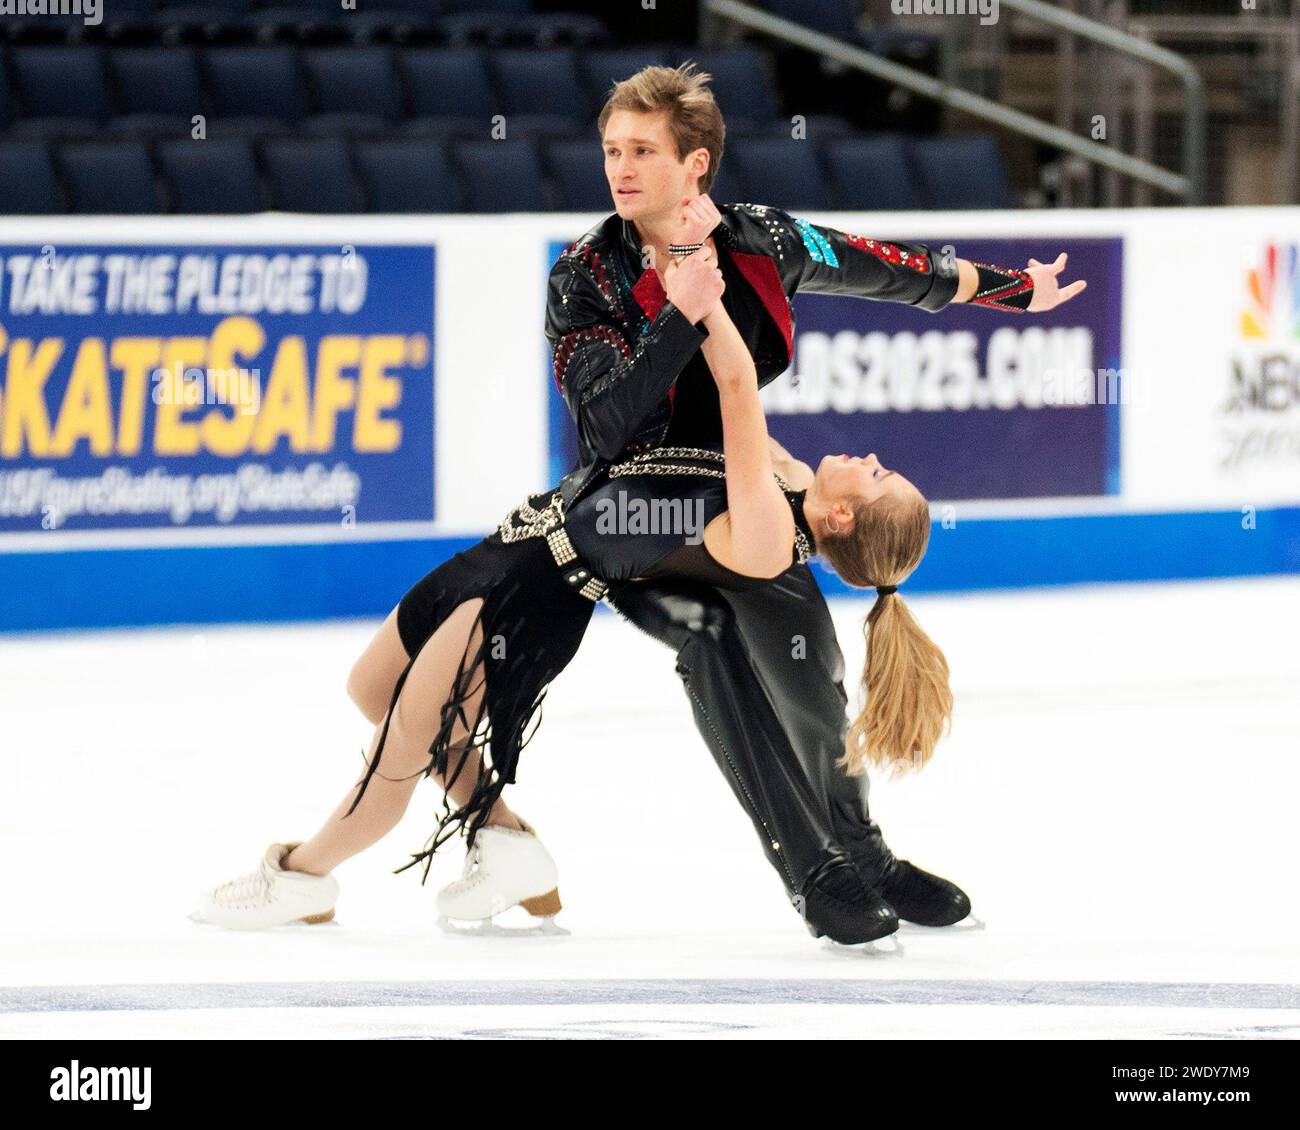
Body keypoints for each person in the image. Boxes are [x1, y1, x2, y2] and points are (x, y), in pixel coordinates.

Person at [194, 253, 965, 945]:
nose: (869, 456)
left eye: (877, 477)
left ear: (842, 518)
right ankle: (507, 843)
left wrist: (701, 289)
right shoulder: (792, 478)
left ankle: (299, 877)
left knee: (397, 748)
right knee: (370, 689)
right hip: (514, 542)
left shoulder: (765, 525)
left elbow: (734, 383)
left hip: (531, 596)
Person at [532, 61, 1086, 933]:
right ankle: (813, 872)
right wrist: (680, 306)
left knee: (807, 661)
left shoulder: (762, 244)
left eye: (643, 149)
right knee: (714, 636)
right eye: (612, 149)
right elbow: (603, 428)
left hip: (730, 492)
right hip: (627, 507)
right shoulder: (585, 275)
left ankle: (862, 852)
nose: (621, 168)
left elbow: (890, 269)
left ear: (696, 165)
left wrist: (1014, 288)